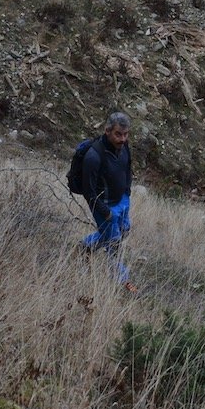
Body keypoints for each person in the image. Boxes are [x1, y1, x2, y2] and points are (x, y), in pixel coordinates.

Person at [81, 111, 134, 289]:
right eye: (118, 134)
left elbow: (127, 169)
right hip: (104, 206)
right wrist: (106, 213)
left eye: (126, 134)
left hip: (122, 201)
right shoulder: (94, 156)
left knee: (125, 229)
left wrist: (127, 193)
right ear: (107, 131)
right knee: (114, 243)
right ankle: (122, 283)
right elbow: (88, 191)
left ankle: (86, 246)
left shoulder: (124, 147)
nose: (123, 139)